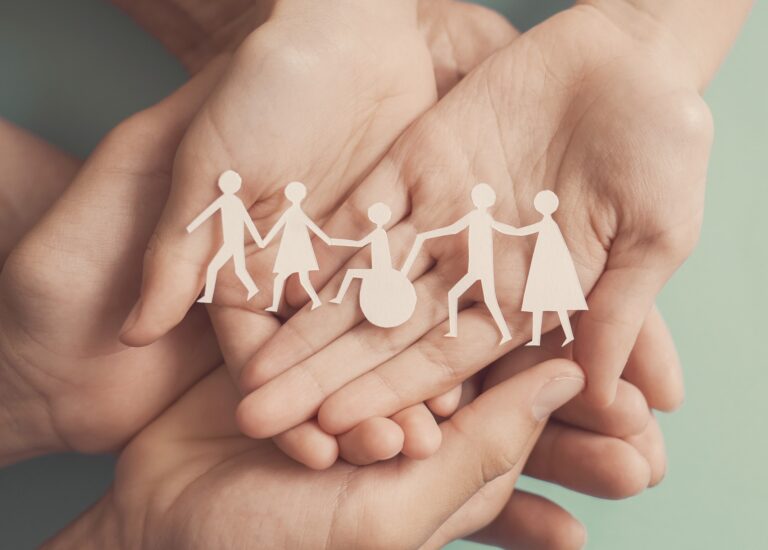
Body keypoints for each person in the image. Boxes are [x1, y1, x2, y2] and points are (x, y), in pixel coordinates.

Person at [402, 183, 519, 343]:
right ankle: (458, 330)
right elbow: (454, 229)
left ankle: (501, 333)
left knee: (481, 299)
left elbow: (453, 230)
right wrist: (429, 234)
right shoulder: (481, 217)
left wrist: (524, 231)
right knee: (474, 298)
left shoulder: (480, 217)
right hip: (478, 268)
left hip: (481, 268)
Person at [496, 190, 588, 347]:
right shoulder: (550, 225)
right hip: (544, 267)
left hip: (545, 268)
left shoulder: (547, 225)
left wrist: (500, 227)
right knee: (543, 304)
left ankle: (563, 335)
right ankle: (548, 337)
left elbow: (520, 232)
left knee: (543, 303)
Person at [186, 169, 262, 303]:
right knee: (239, 269)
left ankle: (210, 296)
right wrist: (192, 226)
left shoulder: (231, 201)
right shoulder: (230, 201)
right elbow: (207, 213)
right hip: (234, 242)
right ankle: (252, 288)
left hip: (232, 242)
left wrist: (258, 239)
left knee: (213, 268)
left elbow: (247, 221)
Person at [263, 181, 332, 312]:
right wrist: (326, 238)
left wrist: (326, 238)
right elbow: (280, 226)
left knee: (295, 279)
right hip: (294, 249)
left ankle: (315, 301)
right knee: (300, 279)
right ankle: (315, 301)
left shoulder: (294, 212)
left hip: (296, 250)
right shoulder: (295, 212)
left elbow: (310, 226)